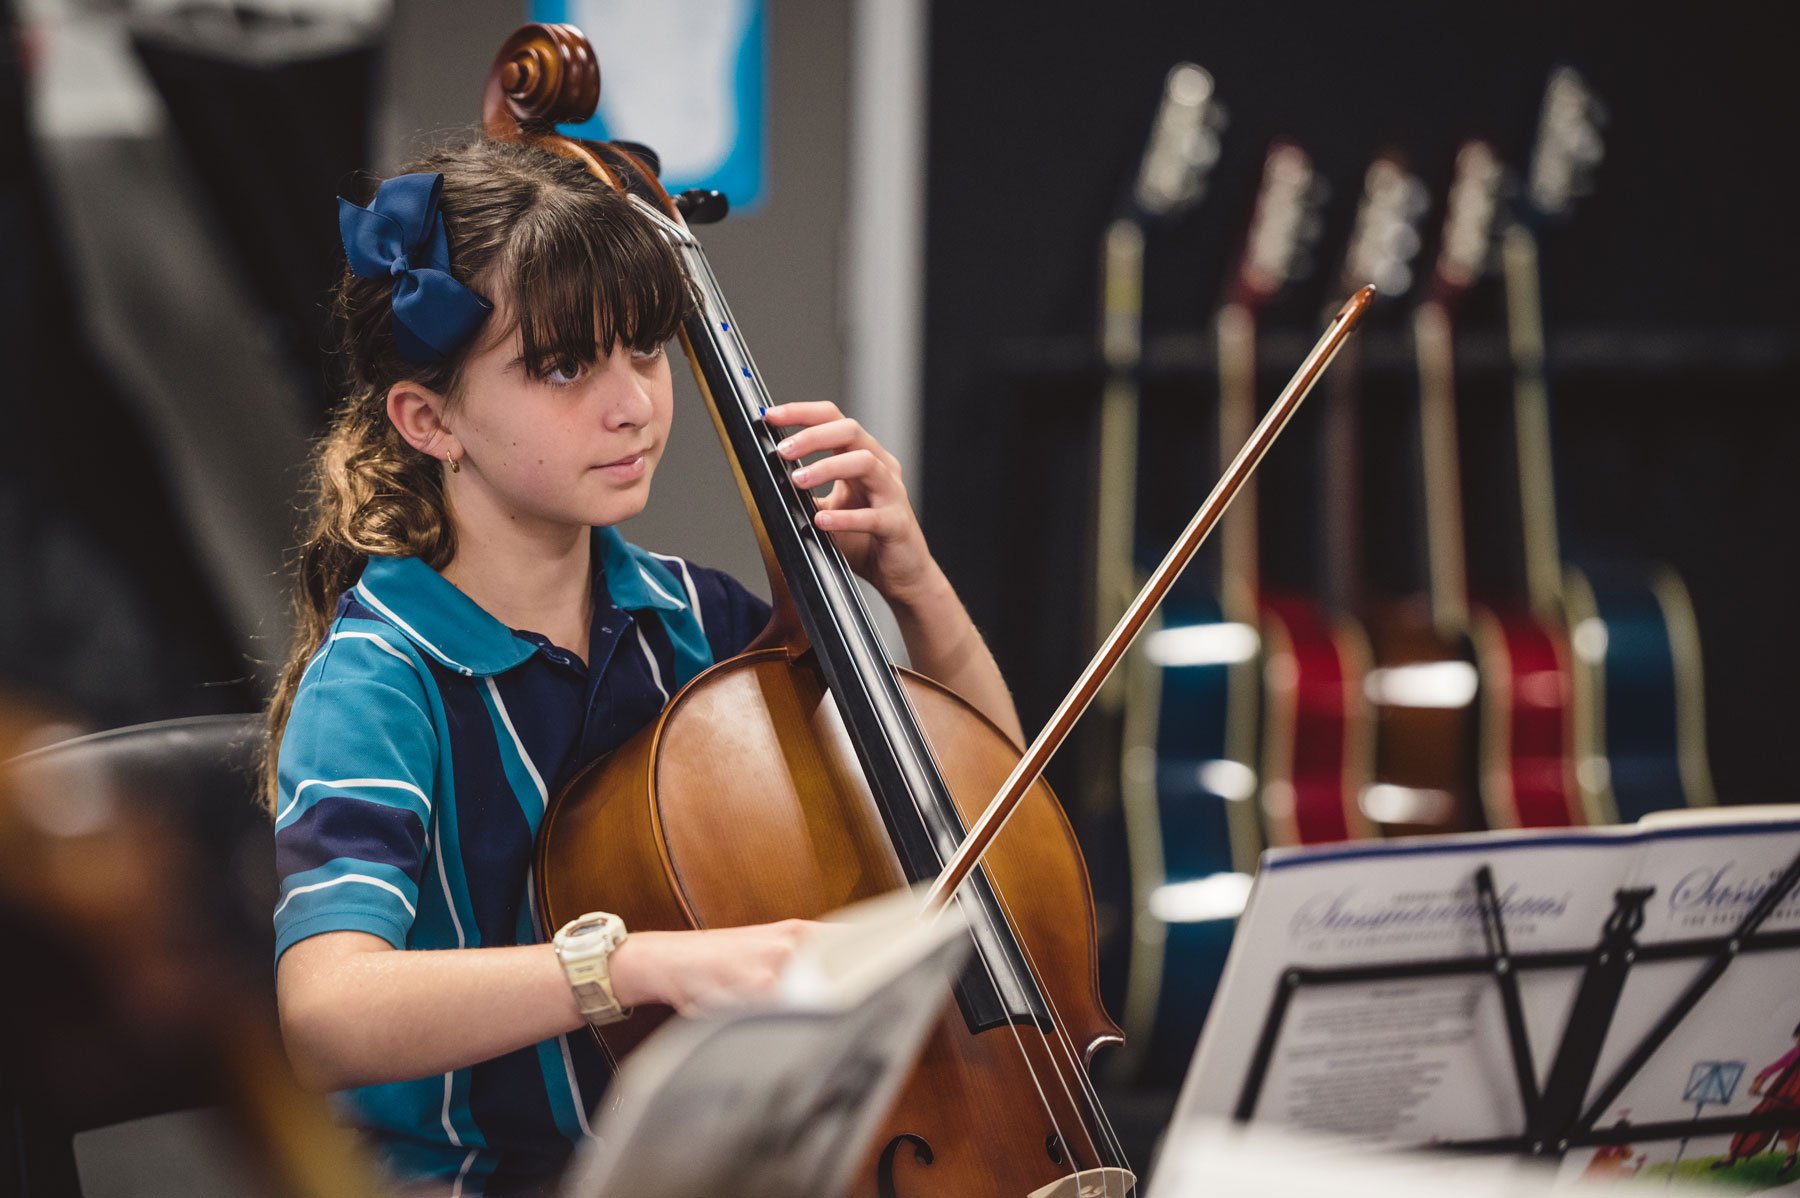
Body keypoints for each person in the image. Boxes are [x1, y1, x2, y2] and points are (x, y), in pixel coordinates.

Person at [264, 136, 1024, 1197]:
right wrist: (625, 966)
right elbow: (327, 1014)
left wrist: (917, 586)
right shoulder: (384, 677)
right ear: (429, 419)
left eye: (648, 349)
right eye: (565, 365)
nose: (633, 405)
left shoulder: (691, 621)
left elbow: (985, 824)